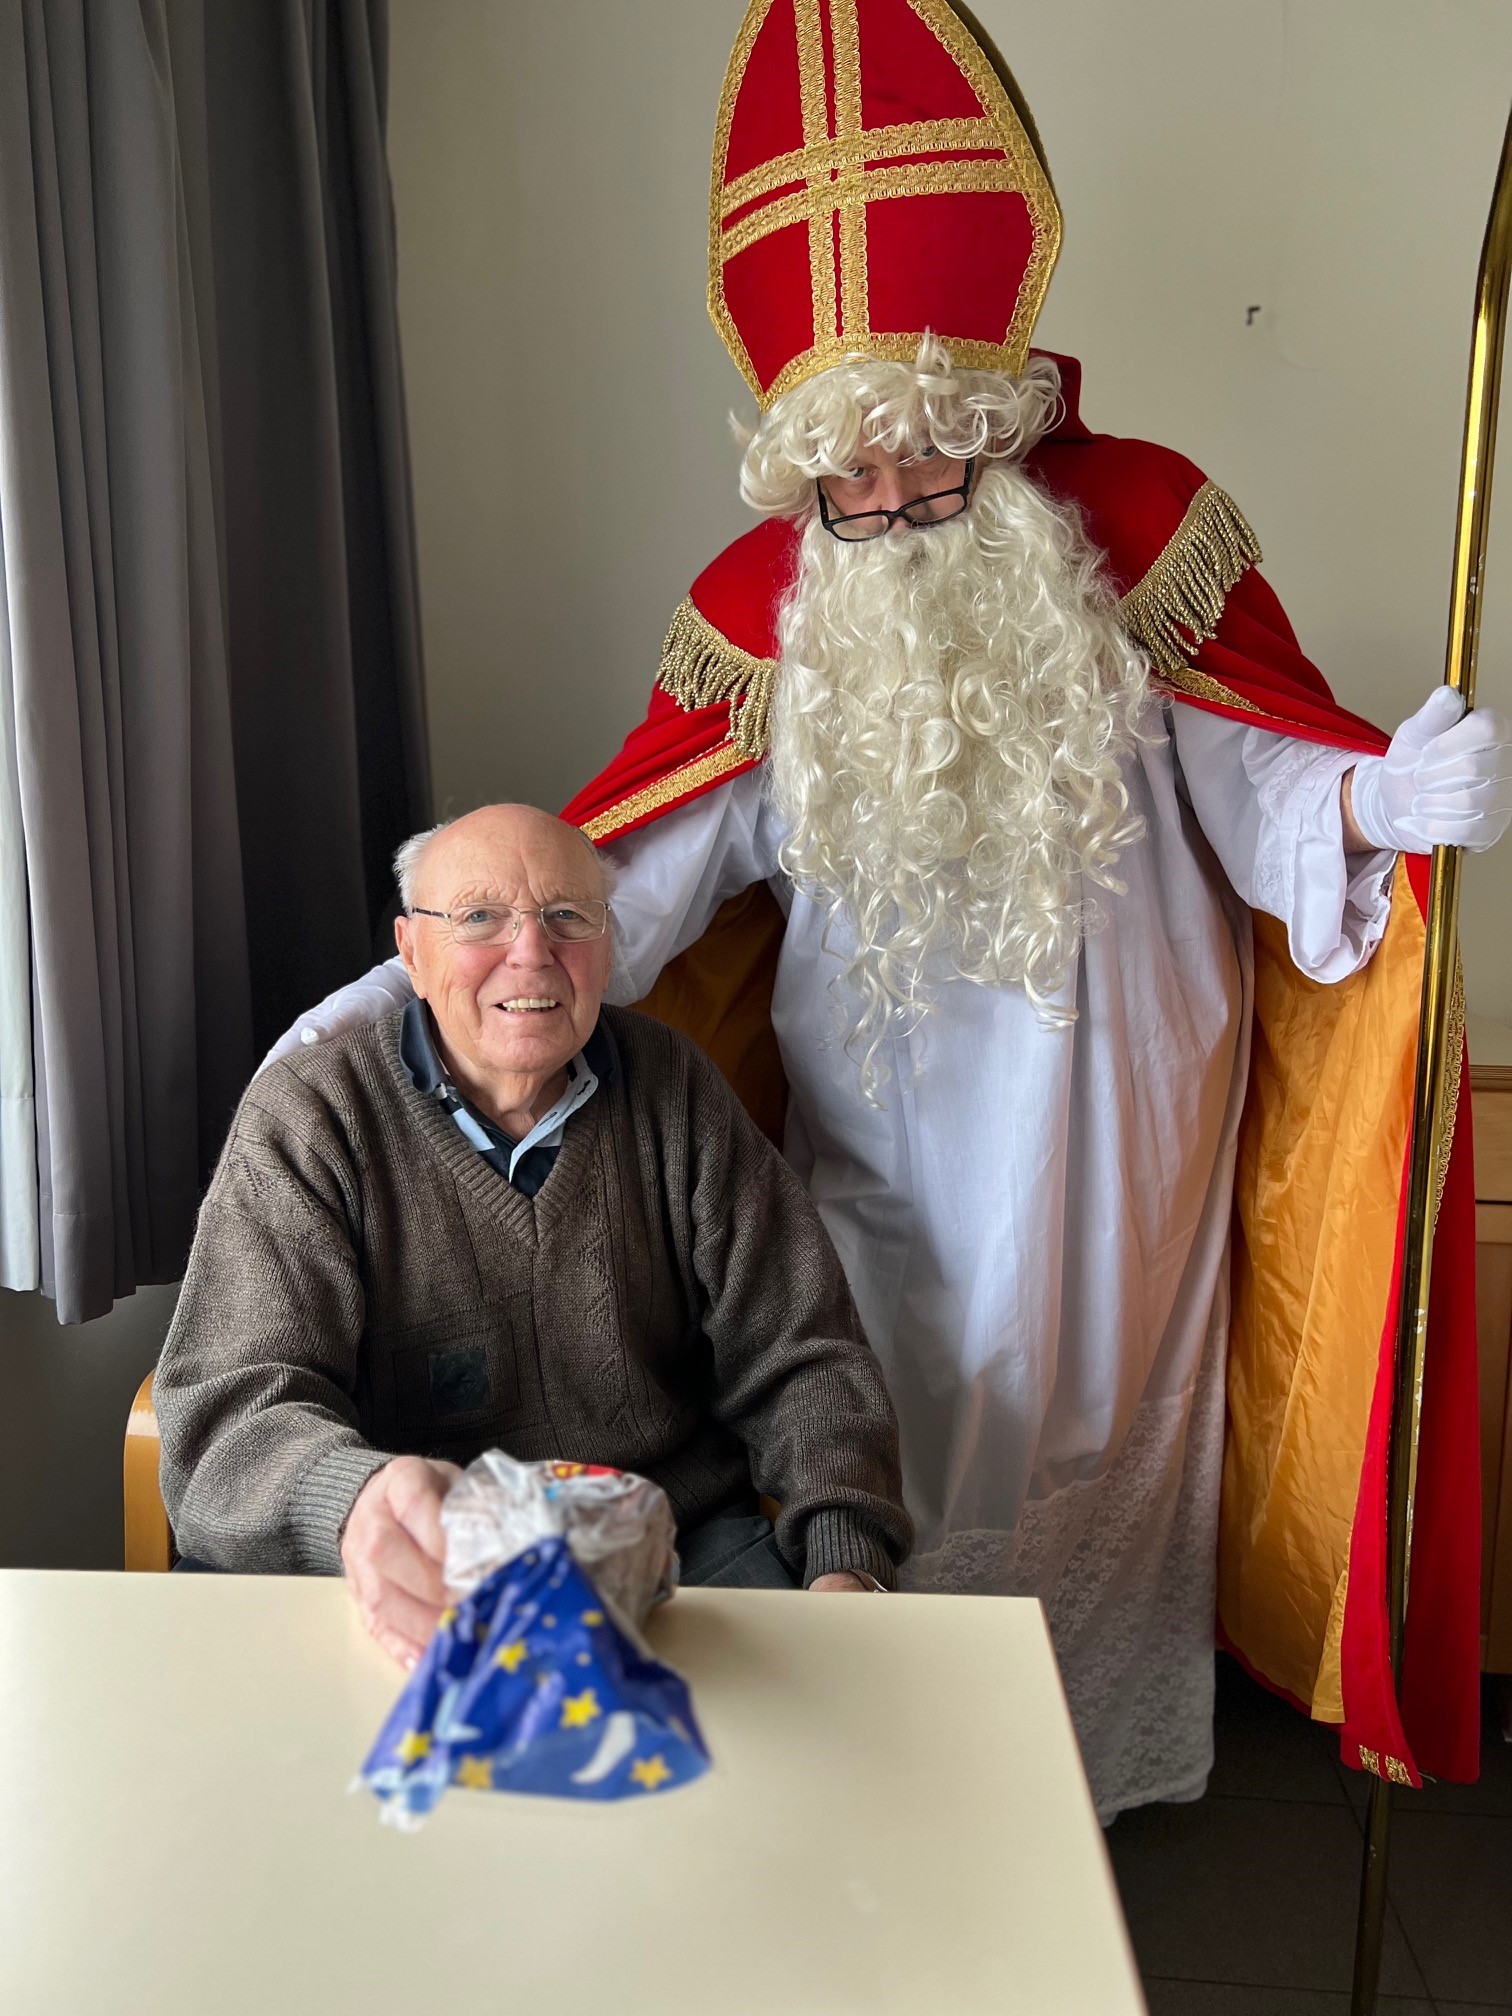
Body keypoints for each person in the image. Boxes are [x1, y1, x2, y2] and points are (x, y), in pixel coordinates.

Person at [270, 3, 1511, 1815]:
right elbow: (622, 883)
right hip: (878, 1151)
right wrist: (414, 986)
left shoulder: (1137, 535)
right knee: (876, 1444)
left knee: (1101, 1437)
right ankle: (911, 1809)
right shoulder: (776, 620)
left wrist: (1375, 801)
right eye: (845, 481)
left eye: (927, 456)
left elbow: (1264, 798)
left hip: (1129, 1144)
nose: (891, 507)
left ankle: (1082, 1800)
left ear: (994, 420)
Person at [156, 804, 912, 1669]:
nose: (531, 952)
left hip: (669, 1550)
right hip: (398, 1568)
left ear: (607, 943)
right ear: (412, 951)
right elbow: (228, 1416)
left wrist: (847, 1563)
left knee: (811, 1742)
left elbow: (804, 1355)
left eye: (567, 916)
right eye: (480, 917)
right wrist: (356, 1501)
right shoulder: (312, 1117)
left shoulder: (677, 1090)